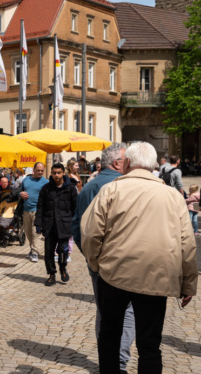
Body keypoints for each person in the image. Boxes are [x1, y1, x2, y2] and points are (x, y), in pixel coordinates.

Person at [81, 142, 197, 374]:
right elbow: (188, 243)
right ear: (153, 165)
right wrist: (188, 283)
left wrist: (96, 264)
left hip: (114, 274)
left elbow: (90, 233)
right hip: (157, 275)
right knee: (150, 344)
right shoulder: (173, 196)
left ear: (127, 163)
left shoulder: (111, 190)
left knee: (110, 337)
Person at [73, 142, 135, 373]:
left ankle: (107, 361)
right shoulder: (124, 185)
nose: (131, 164)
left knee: (104, 309)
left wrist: (90, 256)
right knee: (127, 310)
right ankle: (118, 361)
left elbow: (76, 225)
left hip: (97, 261)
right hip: (125, 259)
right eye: (128, 160)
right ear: (118, 163)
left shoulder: (88, 187)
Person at [36, 163, 78, 286]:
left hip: (65, 225)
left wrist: (76, 224)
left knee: (63, 250)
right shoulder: (46, 188)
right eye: (54, 173)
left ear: (63, 173)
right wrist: (38, 223)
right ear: (51, 173)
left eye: (59, 172)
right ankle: (51, 274)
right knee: (48, 252)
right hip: (49, 225)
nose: (56, 175)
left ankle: (63, 268)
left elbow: (75, 208)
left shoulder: (70, 188)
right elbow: (40, 207)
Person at [19, 162, 48, 263]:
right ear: (33, 170)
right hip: (26, 209)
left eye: (42, 171)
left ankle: (35, 252)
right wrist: (21, 193)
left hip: (38, 210)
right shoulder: (26, 180)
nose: (40, 172)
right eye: (38, 170)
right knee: (28, 231)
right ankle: (32, 249)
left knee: (35, 232)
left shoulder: (45, 182)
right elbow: (20, 190)